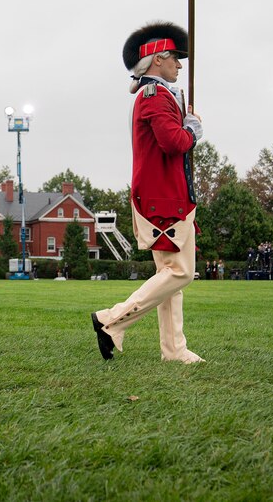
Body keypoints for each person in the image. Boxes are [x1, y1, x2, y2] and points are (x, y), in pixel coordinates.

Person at [91, 22, 204, 364]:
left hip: (166, 195)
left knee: (169, 275)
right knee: (180, 273)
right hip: (163, 197)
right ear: (158, 60)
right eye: (174, 59)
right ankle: (111, 320)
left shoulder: (155, 95)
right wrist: (193, 131)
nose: (179, 66)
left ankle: (174, 350)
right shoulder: (154, 97)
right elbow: (173, 143)